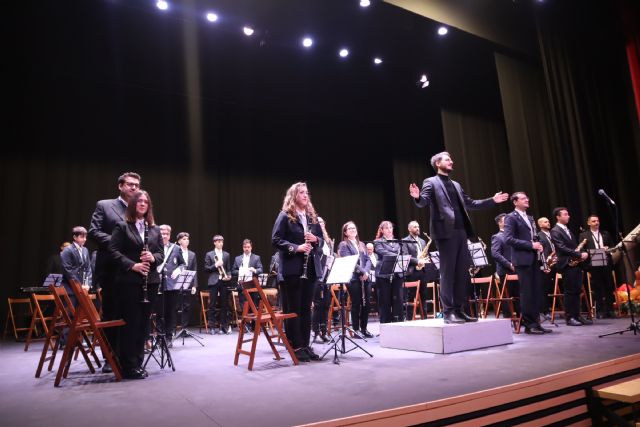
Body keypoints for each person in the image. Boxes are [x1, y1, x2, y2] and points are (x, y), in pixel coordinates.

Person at [409, 152, 508, 324]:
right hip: (444, 233)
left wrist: (492, 200)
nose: (452, 161)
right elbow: (424, 200)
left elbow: (471, 203)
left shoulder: (456, 184)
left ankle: (460, 310)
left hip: (461, 232)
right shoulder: (430, 182)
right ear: (438, 163)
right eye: (448, 159)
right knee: (448, 272)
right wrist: (417, 196)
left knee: (462, 272)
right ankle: (448, 312)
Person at [88, 171, 141, 373]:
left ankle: (128, 357)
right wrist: (118, 241)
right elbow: (93, 231)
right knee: (111, 314)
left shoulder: (140, 208)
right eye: (130, 184)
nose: (134, 188)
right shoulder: (104, 205)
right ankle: (109, 358)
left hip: (132, 270)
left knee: (130, 314)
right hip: (111, 269)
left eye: (136, 185)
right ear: (120, 186)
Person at [109, 190, 164, 379]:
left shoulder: (155, 230)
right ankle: (128, 364)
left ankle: (138, 363)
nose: (142, 204)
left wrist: (152, 257)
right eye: (139, 201)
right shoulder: (122, 226)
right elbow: (113, 251)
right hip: (129, 282)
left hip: (151, 282)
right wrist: (133, 265)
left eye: (146, 202)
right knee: (131, 324)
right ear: (133, 204)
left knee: (143, 324)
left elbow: (161, 254)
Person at [271, 182, 324, 362]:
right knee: (294, 310)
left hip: (310, 269)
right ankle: (296, 346)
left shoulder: (311, 217)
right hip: (292, 270)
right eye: (301, 193)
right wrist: (296, 247)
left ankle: (305, 345)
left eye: (307, 193)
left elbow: (322, 242)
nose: (305, 195)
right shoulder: (285, 216)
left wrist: (315, 239)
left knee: (306, 310)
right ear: (293, 196)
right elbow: (276, 239)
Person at [503, 192, 551, 334]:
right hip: (522, 260)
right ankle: (529, 325)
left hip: (534, 258)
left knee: (536, 291)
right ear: (515, 202)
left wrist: (539, 243)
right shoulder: (511, 217)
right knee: (527, 293)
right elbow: (508, 239)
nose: (527, 200)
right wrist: (531, 245)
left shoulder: (530, 218)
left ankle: (536, 323)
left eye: (527, 198)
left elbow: (533, 237)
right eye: (523, 198)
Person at [550, 207, 591, 326]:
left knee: (577, 291)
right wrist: (579, 254)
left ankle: (577, 315)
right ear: (558, 217)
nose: (568, 216)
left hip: (575, 263)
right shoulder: (555, 231)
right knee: (569, 291)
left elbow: (573, 246)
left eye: (568, 214)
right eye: (565, 214)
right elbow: (561, 247)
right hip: (567, 264)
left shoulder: (567, 230)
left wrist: (582, 253)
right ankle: (570, 317)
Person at [338, 221, 373, 338]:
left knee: (366, 303)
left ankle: (364, 328)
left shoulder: (361, 244)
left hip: (365, 277)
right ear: (345, 232)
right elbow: (350, 261)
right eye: (350, 229)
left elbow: (368, 259)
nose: (353, 230)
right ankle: (356, 330)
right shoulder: (344, 245)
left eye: (354, 228)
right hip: (353, 278)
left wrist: (366, 272)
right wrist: (362, 272)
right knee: (356, 303)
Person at [579, 215, 615, 318]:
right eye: (594, 221)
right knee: (597, 287)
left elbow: (613, 246)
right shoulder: (584, 235)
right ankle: (600, 311)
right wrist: (590, 253)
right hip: (593, 264)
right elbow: (582, 250)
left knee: (609, 286)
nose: (596, 223)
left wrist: (608, 248)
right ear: (589, 223)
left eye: (598, 220)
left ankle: (610, 310)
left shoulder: (605, 233)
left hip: (606, 262)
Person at [157, 224, 185, 347]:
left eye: (167, 234)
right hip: (157, 285)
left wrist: (178, 270)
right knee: (159, 312)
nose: (164, 236)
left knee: (170, 312)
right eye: (162, 233)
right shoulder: (153, 246)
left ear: (170, 235)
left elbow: (182, 264)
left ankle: (168, 337)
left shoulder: (175, 248)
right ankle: (159, 337)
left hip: (172, 285)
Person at [374, 221, 405, 323]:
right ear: (382, 230)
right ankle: (385, 324)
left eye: (391, 227)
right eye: (386, 228)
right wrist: (396, 256)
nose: (389, 230)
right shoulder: (378, 242)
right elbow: (383, 252)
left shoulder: (398, 242)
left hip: (397, 274)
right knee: (385, 301)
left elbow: (403, 253)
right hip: (383, 275)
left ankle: (398, 322)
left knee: (398, 300)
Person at [403, 221, 435, 319]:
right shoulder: (405, 241)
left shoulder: (422, 241)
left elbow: (425, 253)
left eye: (418, 226)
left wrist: (425, 260)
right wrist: (418, 261)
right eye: (414, 227)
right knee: (411, 296)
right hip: (412, 272)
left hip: (422, 271)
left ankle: (424, 318)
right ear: (409, 229)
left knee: (424, 296)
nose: (417, 228)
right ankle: (409, 319)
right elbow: (405, 256)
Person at [204, 235, 233, 334]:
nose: (221, 243)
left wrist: (229, 276)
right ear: (214, 242)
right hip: (214, 281)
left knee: (224, 304)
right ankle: (212, 326)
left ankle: (223, 326)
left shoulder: (226, 255)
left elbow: (229, 269)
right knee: (212, 305)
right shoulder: (209, 254)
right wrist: (216, 265)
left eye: (222, 241)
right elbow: (206, 269)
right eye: (219, 241)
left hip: (224, 281)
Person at [491, 213, 518, 318]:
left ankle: (522, 318)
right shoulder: (497, 237)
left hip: (517, 268)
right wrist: (509, 264)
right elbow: (495, 254)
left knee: (519, 295)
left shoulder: (513, 236)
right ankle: (508, 319)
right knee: (508, 296)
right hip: (506, 270)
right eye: (505, 220)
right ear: (500, 223)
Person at [311, 216, 333, 343]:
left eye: (322, 222)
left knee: (326, 304)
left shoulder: (328, 241)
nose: (321, 224)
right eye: (318, 222)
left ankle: (324, 331)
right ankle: (315, 331)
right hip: (317, 276)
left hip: (327, 276)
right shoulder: (315, 240)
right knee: (318, 304)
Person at [231, 239, 264, 316]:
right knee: (243, 305)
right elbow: (233, 271)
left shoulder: (256, 258)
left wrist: (255, 270)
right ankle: (246, 325)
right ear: (243, 247)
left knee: (254, 305)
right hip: (242, 285)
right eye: (245, 247)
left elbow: (261, 269)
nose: (247, 249)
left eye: (248, 247)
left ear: (251, 247)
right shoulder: (238, 258)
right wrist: (241, 271)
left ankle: (253, 325)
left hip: (252, 285)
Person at [60, 227, 91, 307]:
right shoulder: (67, 250)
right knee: (70, 315)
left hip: (83, 289)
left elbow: (88, 268)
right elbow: (68, 271)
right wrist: (80, 285)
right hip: (70, 288)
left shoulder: (85, 250)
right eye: (82, 237)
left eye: (85, 237)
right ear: (74, 237)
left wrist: (87, 284)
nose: (85, 239)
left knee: (82, 315)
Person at [176, 232, 198, 327]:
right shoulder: (175, 251)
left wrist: (194, 285)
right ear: (179, 241)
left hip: (188, 283)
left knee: (186, 306)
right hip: (176, 283)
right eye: (184, 239)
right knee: (175, 306)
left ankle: (184, 328)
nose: (186, 241)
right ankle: (172, 328)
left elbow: (194, 270)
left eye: (187, 239)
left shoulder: (192, 254)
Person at [537, 217, 556, 319]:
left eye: (548, 221)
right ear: (540, 225)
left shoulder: (553, 234)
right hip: (547, 265)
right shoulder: (539, 236)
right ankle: (545, 311)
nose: (548, 223)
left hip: (557, 263)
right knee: (545, 288)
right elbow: (541, 252)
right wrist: (544, 265)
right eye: (545, 222)